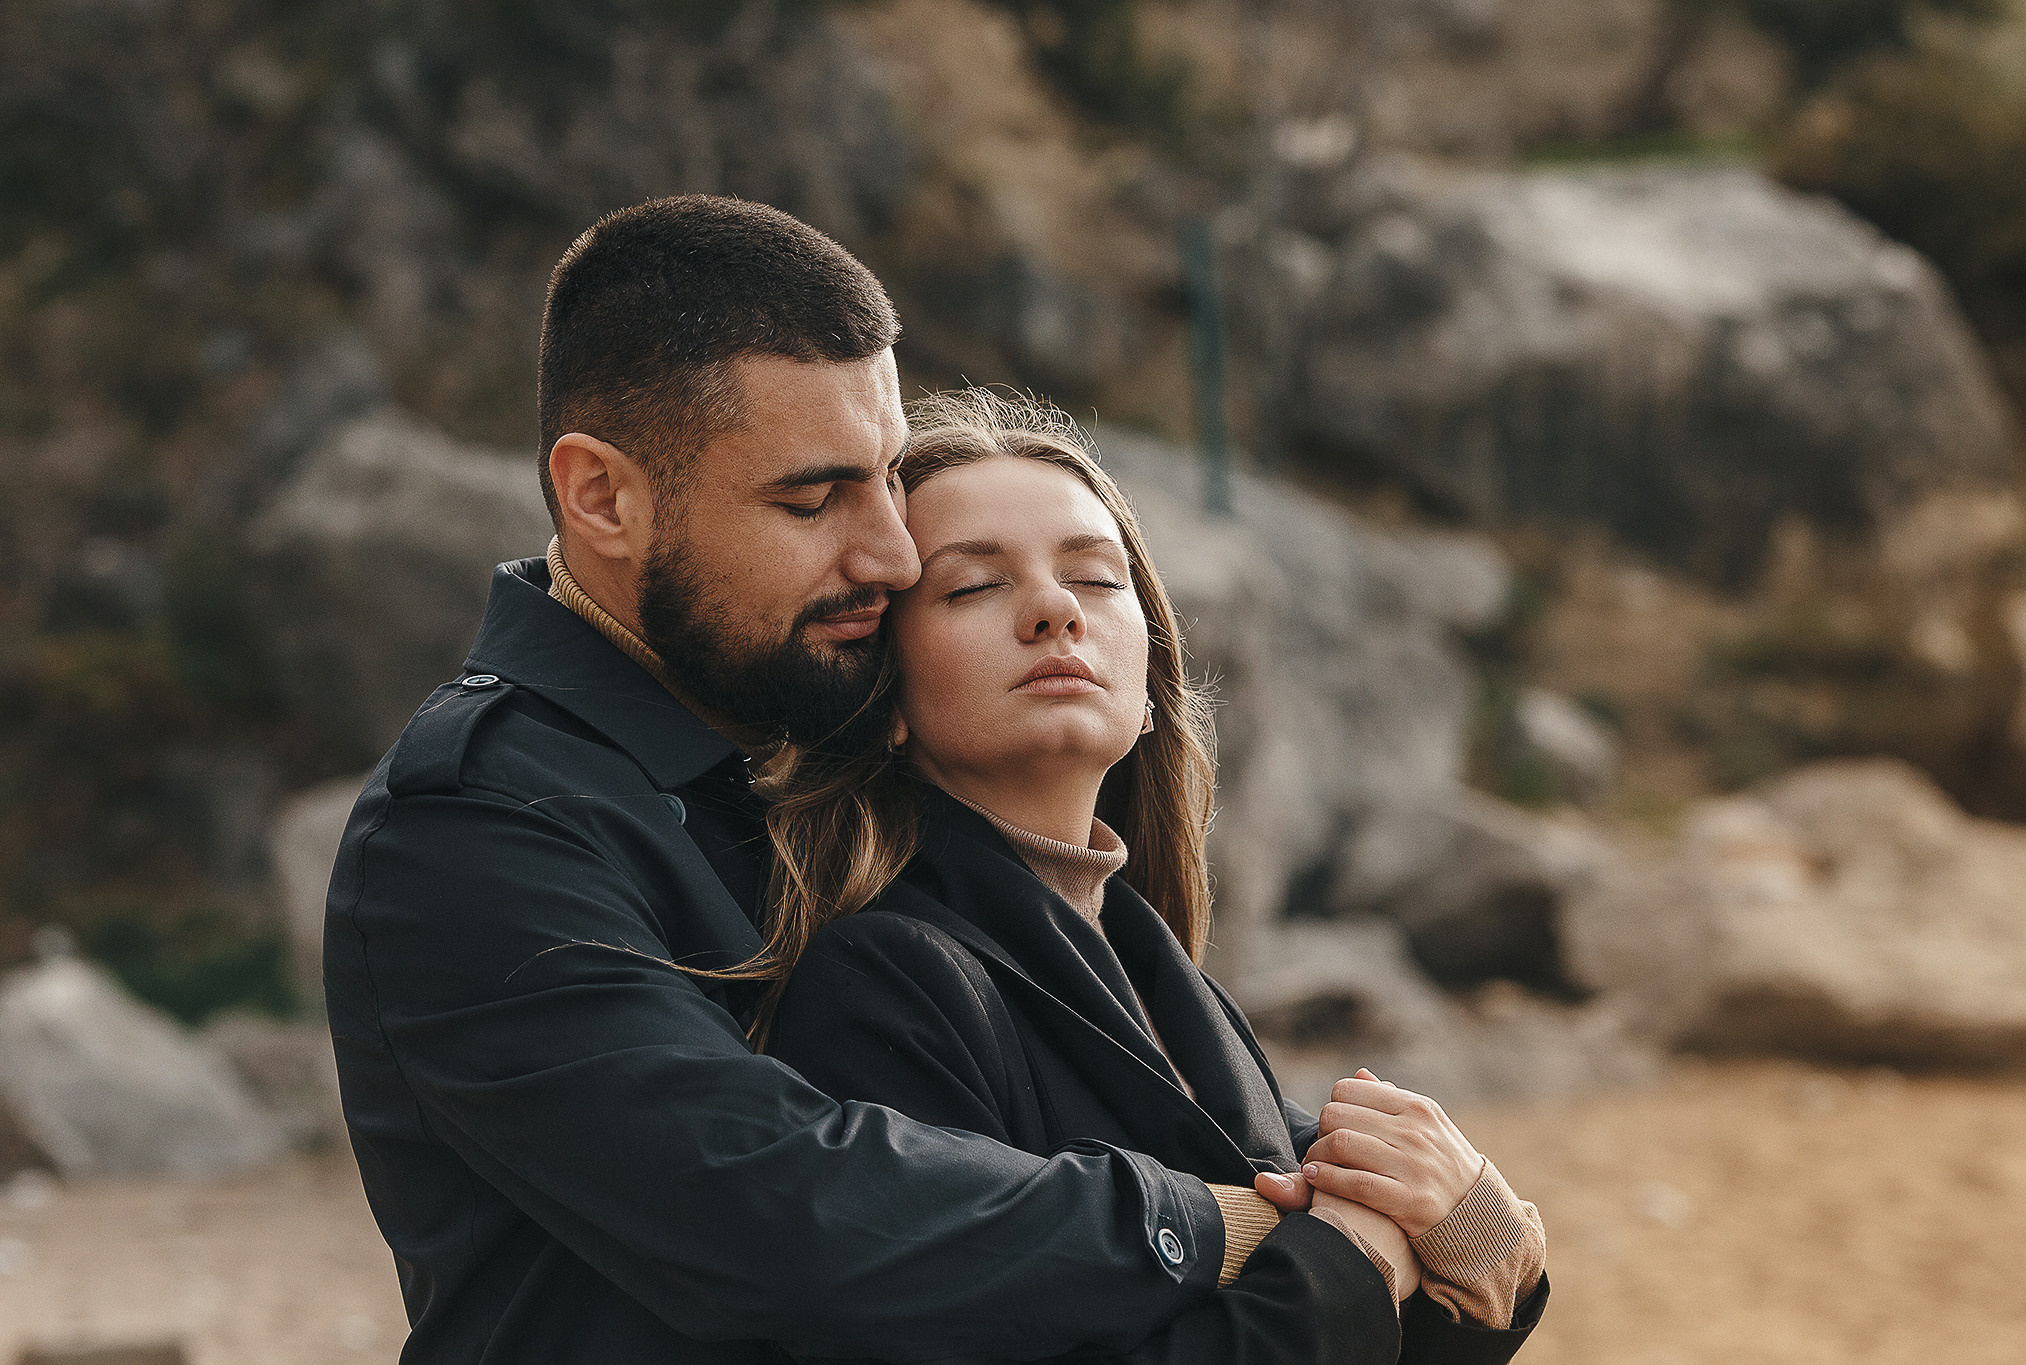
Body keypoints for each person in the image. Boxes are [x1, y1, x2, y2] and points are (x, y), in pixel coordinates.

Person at [328, 194, 1416, 1365]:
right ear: (603, 498)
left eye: (888, 478)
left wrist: (1415, 1207)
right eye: (810, 499)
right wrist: (1232, 1224)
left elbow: (1113, 1077)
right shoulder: (471, 831)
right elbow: (787, 1213)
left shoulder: (802, 734)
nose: (891, 553)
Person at [745, 390, 1548, 1364]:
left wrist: (1488, 1244)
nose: (1052, 610)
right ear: (884, 700)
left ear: (1148, 691)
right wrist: (1356, 1257)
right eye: (968, 588)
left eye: (1093, 576)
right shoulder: (880, 981)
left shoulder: (1160, 970)